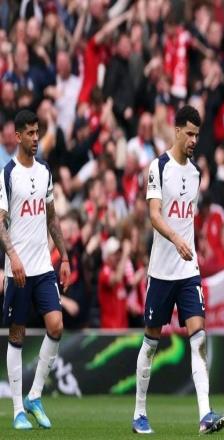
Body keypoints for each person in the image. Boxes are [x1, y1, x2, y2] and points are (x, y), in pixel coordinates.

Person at [132, 106, 224, 435]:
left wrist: (191, 246)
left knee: (198, 336)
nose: (193, 140)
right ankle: (139, 412)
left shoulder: (196, 173)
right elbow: (154, 215)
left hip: (188, 270)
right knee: (151, 341)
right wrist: (175, 240)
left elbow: (187, 219)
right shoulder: (158, 167)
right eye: (189, 133)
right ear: (176, 131)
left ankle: (205, 414)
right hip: (161, 271)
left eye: (197, 135)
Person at [0, 110, 71, 430]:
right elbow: (0, 222)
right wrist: (12, 257)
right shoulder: (7, 174)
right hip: (18, 268)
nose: (35, 138)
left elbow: (51, 217)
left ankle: (35, 396)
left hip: (43, 266)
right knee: (17, 334)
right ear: (17, 136)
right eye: (29, 133)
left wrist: (64, 258)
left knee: (56, 325)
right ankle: (17, 409)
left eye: (37, 132)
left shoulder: (44, 171)